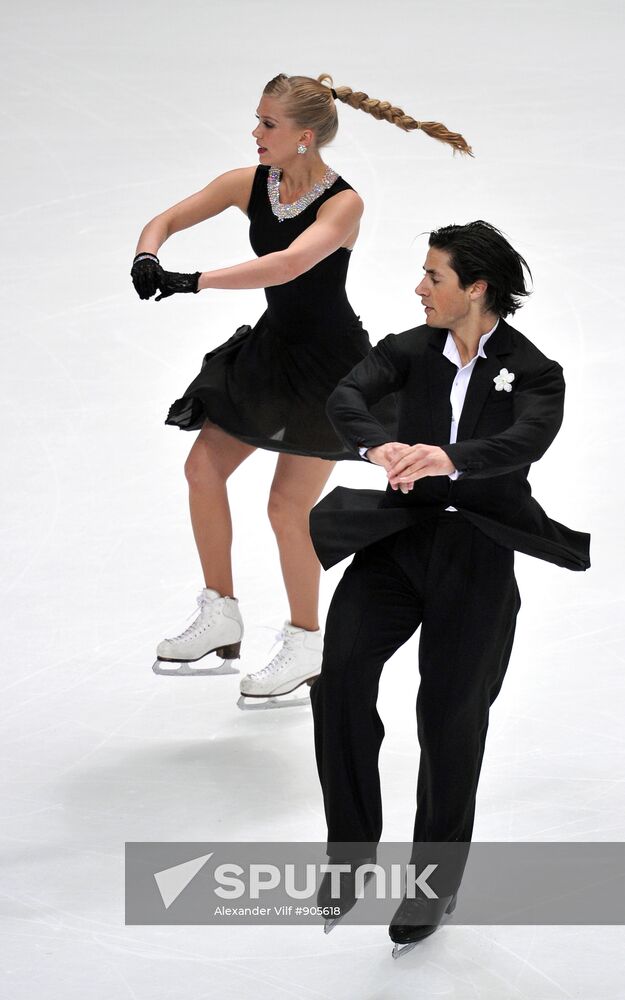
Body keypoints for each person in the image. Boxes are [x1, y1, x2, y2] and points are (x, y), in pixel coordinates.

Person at [130, 72, 471, 704]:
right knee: (202, 469)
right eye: (257, 120)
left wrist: (190, 281)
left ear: (304, 137)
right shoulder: (249, 184)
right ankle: (221, 611)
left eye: (267, 124)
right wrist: (149, 255)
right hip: (269, 353)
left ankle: (307, 641)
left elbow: (289, 264)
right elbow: (170, 217)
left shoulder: (344, 204)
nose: (254, 133)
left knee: (286, 506)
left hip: (329, 369)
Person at [308, 221, 591, 955]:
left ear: (475, 288)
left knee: (448, 717)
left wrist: (449, 458)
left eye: (433, 276)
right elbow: (346, 397)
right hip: (397, 540)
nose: (418, 287)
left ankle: (432, 884)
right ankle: (351, 851)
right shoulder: (409, 349)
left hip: (476, 555)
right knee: (338, 676)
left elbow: (524, 440)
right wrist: (379, 444)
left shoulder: (533, 372)